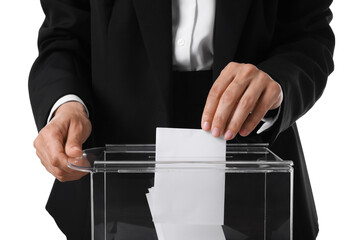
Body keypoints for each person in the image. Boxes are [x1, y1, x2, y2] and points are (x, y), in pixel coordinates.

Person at [29, 0, 334, 239]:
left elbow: (309, 35)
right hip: (113, 174)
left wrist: (277, 81)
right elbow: (65, 34)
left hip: (254, 159)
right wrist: (66, 105)